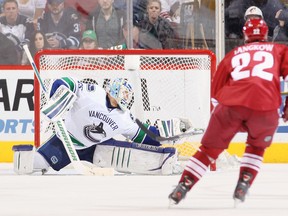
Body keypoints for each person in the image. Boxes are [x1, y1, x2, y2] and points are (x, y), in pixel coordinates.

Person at [168, 18, 288, 205]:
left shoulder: (233, 54)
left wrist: (228, 117)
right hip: (266, 107)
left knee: (208, 151)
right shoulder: (279, 50)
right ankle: (242, 186)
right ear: (266, 34)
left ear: (244, 35)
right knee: (256, 147)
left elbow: (216, 91)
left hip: (231, 105)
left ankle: (182, 187)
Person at [13, 77, 194, 175]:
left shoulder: (124, 118)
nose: (125, 97)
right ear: (112, 90)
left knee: (126, 153)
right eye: (122, 93)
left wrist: (166, 135)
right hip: (64, 141)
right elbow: (67, 83)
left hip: (96, 147)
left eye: (126, 95)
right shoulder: (93, 93)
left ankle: (165, 161)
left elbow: (143, 135)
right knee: (28, 166)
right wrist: (57, 92)